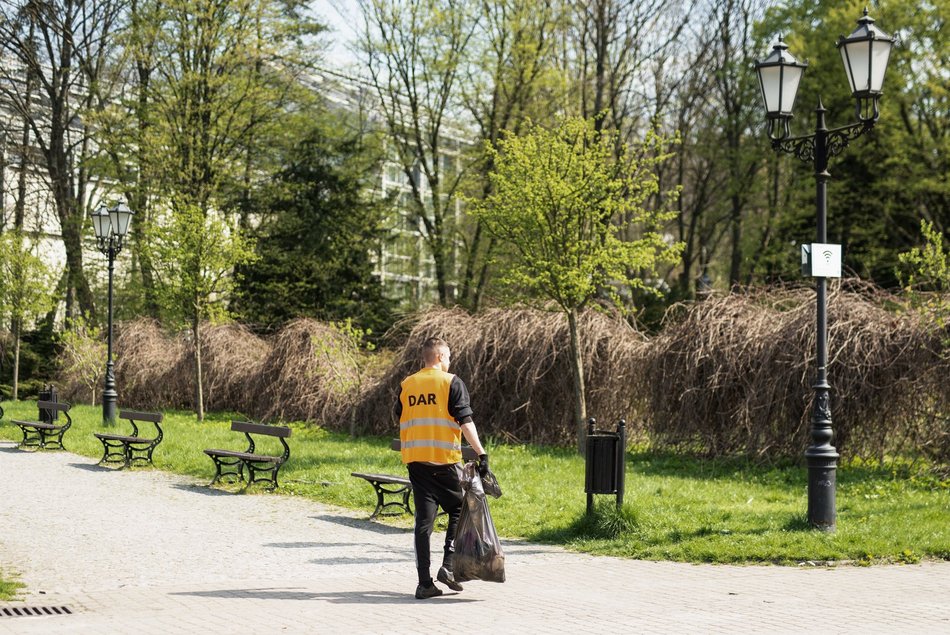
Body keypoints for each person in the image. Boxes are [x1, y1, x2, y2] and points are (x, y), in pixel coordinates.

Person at [396, 336, 488, 600]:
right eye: (447, 357)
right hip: (444, 461)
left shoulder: (407, 384)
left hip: (416, 462)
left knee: (423, 523)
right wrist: (481, 453)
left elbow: (399, 414)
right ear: (438, 357)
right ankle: (448, 566)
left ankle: (424, 583)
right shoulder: (450, 382)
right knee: (461, 508)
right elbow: (465, 421)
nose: (449, 362)